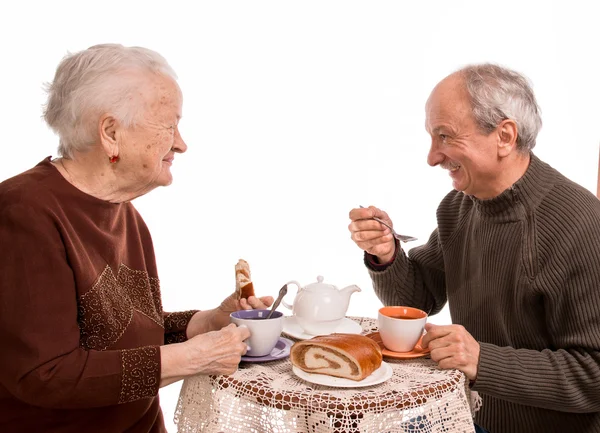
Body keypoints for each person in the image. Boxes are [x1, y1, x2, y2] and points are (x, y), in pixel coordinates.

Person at [0, 44, 273, 433]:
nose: (181, 144)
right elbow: (46, 373)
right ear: (111, 133)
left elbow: (115, 333)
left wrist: (204, 324)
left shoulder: (125, 212)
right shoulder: (23, 213)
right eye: (168, 125)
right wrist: (191, 359)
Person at [348, 64, 600, 432]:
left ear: (504, 136)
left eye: (445, 137)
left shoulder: (580, 223)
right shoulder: (458, 206)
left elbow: (594, 373)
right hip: (467, 416)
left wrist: (483, 360)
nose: (432, 157)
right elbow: (418, 299)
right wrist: (386, 254)